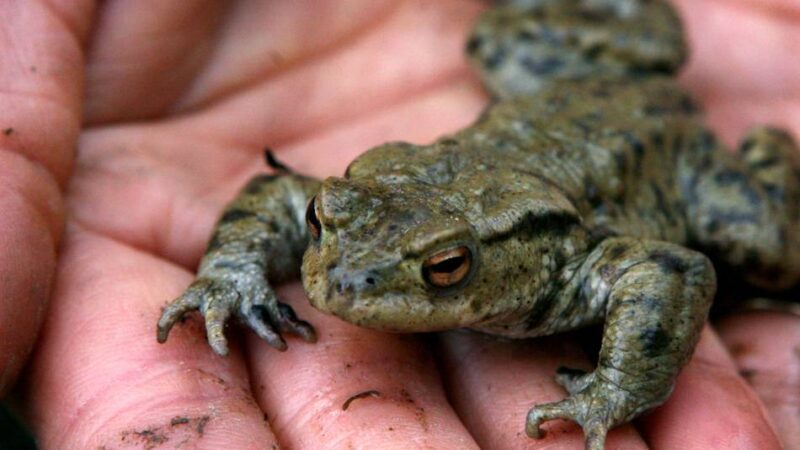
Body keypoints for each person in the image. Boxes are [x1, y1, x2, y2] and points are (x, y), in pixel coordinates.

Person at [1, 0, 797, 448]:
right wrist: (232, 272)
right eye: (327, 230)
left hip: (652, 148)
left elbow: (669, 271)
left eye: (442, 269)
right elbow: (281, 195)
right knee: (494, 39)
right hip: (557, 107)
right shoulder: (342, 217)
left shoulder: (565, 261)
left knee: (772, 251)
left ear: (489, 263)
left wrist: (619, 385)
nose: (339, 284)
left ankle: (769, 150)